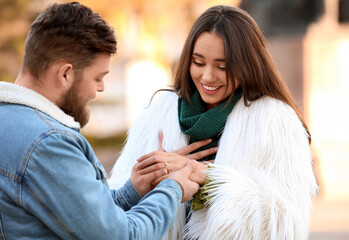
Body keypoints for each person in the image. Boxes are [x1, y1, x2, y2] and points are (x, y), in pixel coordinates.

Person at [0, 2, 214, 239]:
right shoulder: (47, 143)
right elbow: (122, 236)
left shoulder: (8, 118)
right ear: (66, 74)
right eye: (98, 78)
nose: (101, 88)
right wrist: (173, 188)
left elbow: (79, 219)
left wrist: (130, 192)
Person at [109, 5, 318, 240]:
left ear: (246, 65)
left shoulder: (275, 121)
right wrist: (149, 180)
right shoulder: (159, 113)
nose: (208, 77)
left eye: (223, 67)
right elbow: (111, 211)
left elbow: (286, 220)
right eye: (198, 63)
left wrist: (205, 177)